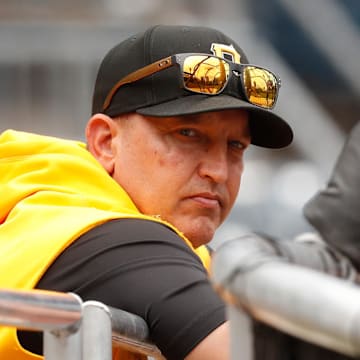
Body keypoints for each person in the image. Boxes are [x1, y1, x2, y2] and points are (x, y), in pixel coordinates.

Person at [0, 25, 293, 360]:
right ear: (105, 142)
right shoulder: (100, 236)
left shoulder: (49, 214)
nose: (219, 170)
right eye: (187, 133)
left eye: (236, 145)